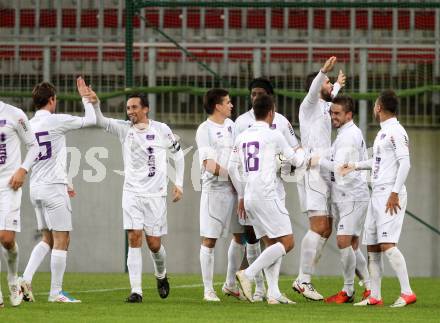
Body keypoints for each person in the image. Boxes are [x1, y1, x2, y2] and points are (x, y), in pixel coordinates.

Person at [81, 87, 184, 303]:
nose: (130, 111)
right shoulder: (123, 129)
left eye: (134, 107)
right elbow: (100, 121)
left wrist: (179, 183)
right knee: (134, 237)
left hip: (155, 195)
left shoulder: (162, 130)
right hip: (132, 193)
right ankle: (136, 291)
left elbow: (178, 154)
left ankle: (161, 274)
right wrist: (95, 103)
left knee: (154, 244)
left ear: (145, 109)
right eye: (128, 108)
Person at [18, 79, 96, 303]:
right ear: (51, 100)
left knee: (47, 239)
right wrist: (84, 97)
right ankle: (56, 293)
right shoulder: (56, 120)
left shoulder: (29, 125)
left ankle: (25, 279)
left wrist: (67, 181)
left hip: (36, 188)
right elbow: (91, 120)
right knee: (63, 239)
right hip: (53, 188)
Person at [341, 90, 416, 307]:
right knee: (372, 246)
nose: (374, 107)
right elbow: (378, 163)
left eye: (375, 104)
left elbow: (405, 163)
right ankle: (375, 296)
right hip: (377, 194)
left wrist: (394, 192)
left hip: (389, 195)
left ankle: (407, 292)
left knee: (387, 244)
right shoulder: (384, 132)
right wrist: (354, 165)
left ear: (379, 108)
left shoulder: (396, 132)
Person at [230, 94, 307, 305]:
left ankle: (273, 293)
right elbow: (297, 161)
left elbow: (230, 167)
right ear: (271, 112)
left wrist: (242, 194)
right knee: (287, 242)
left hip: (250, 196)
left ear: (254, 112)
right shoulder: (273, 135)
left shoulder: (242, 136)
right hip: (267, 194)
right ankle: (247, 273)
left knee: (272, 243)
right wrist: (303, 152)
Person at [310, 95, 371, 303]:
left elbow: (341, 168)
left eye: (337, 113)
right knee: (352, 244)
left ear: (349, 115)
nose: (333, 116)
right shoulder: (346, 133)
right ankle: (370, 287)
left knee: (343, 241)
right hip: (347, 196)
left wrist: (318, 160)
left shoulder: (348, 136)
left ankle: (348, 290)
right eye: (331, 112)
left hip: (352, 195)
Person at [293, 56, 345, 300]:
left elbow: (329, 94)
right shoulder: (309, 105)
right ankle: (304, 280)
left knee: (327, 229)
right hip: (312, 170)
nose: (329, 84)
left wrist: (338, 85)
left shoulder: (325, 105)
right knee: (319, 226)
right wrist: (322, 71)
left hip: (326, 171)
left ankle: (303, 276)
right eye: (327, 82)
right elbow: (316, 90)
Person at [196, 88, 245, 301]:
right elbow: (208, 165)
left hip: (235, 191)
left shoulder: (232, 126)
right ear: (217, 106)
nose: (231, 105)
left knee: (241, 236)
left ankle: (230, 284)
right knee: (210, 239)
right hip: (215, 191)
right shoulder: (204, 129)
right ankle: (208, 290)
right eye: (228, 102)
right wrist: (234, 178)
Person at [0, 100, 40, 308]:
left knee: (6, 239)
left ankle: (13, 278)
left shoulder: (14, 114)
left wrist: (23, 170)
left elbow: (34, 145)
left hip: (9, 185)